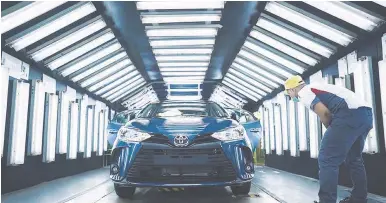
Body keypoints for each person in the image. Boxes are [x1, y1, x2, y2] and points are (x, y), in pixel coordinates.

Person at [284, 75, 373, 203]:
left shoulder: (304, 93)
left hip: (348, 115)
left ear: (291, 90)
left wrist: (331, 129)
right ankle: (359, 199)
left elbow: (325, 113)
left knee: (327, 159)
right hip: (366, 115)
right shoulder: (317, 86)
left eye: (289, 94)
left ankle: (326, 201)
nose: (290, 97)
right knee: (354, 159)